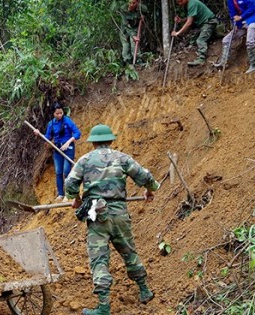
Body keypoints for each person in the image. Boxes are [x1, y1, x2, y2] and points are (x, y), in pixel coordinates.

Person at [65, 124, 160, 315]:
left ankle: (103, 307)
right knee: (129, 251)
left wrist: (75, 200)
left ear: (93, 143)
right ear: (110, 140)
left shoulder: (85, 160)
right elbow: (146, 176)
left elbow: (70, 183)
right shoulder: (121, 158)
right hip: (119, 212)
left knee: (99, 258)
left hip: (98, 215)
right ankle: (144, 290)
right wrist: (149, 191)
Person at [33, 102, 81, 202]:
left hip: (68, 149)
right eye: (57, 113)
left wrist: (68, 142)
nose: (59, 115)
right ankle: (60, 194)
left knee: (66, 171)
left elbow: (77, 133)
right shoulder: (51, 124)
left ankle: (69, 194)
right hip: (57, 150)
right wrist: (38, 133)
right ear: (53, 114)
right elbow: (47, 137)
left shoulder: (67, 121)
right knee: (59, 172)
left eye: (61, 113)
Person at [213, 0, 255, 74]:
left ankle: (253, 64)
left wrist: (241, 17)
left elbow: (252, 8)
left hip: (252, 20)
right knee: (226, 40)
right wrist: (234, 23)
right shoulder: (230, 1)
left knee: (250, 41)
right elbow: (232, 13)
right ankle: (224, 62)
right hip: (240, 24)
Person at [171, 0, 218, 66]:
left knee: (200, 40)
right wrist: (181, 20)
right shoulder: (188, 4)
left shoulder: (192, 3)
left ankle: (201, 59)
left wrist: (177, 33)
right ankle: (214, 34)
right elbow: (191, 17)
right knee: (192, 40)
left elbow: (189, 22)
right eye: (178, 2)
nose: (180, 3)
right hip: (203, 24)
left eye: (181, 1)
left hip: (209, 22)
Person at [119, 0, 141, 65]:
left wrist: (142, 17)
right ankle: (127, 62)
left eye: (133, 3)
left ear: (137, 2)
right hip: (125, 30)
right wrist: (133, 35)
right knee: (126, 45)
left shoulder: (141, 8)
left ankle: (138, 60)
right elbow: (126, 25)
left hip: (134, 29)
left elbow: (145, 11)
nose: (131, 5)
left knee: (134, 43)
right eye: (129, 2)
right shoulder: (123, 9)